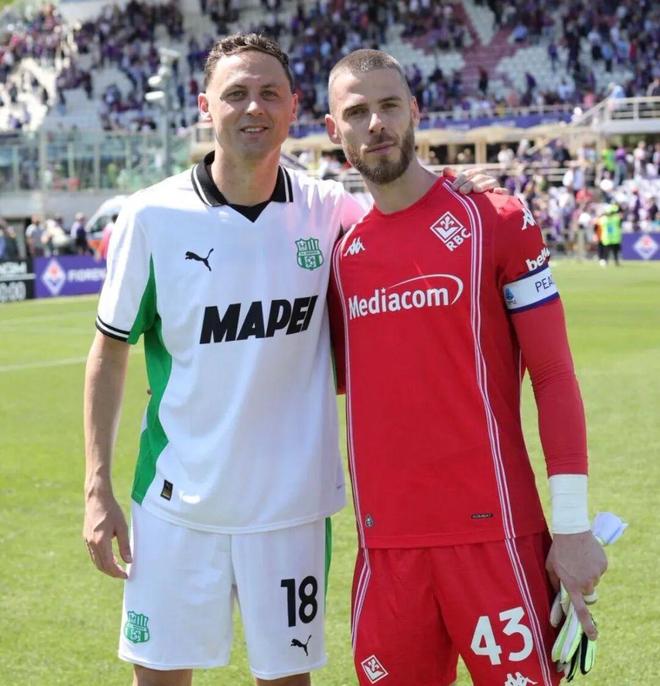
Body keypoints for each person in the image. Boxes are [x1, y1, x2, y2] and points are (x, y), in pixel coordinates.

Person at [83, 33, 498, 686]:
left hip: (291, 510)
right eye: (236, 94)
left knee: (285, 680)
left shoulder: (329, 211)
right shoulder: (152, 216)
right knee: (158, 678)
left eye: (269, 93)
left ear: (295, 107)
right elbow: (109, 352)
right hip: (174, 503)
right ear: (204, 107)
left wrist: (461, 191)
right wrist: (97, 486)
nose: (254, 107)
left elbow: (405, 218)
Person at [325, 49, 608, 686]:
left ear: (415, 112)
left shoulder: (495, 219)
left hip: (496, 539)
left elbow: (554, 375)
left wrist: (572, 527)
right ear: (332, 129)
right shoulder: (342, 255)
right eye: (358, 112)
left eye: (389, 105)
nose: (376, 123)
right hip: (386, 550)